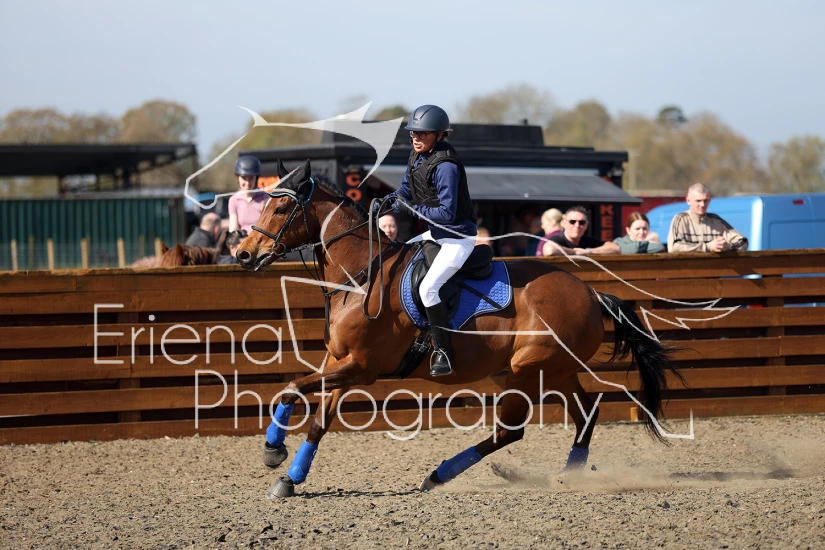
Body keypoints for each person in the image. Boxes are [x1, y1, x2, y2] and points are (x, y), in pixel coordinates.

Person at [383, 104, 477, 377]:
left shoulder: (446, 167)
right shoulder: (417, 156)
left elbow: (447, 213)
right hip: (435, 234)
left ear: (439, 135)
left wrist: (411, 210)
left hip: (457, 238)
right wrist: (388, 200)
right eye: (413, 133)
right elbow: (406, 189)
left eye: (422, 134)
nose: (416, 138)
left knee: (428, 290)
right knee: (396, 260)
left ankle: (443, 351)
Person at [668, 183, 748, 253]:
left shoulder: (716, 220)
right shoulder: (680, 219)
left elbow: (743, 242)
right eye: (698, 201)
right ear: (688, 200)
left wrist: (725, 247)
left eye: (706, 200)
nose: (702, 204)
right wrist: (708, 247)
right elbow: (674, 246)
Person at [543, 206, 621, 256]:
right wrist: (575, 252)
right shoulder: (558, 239)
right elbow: (549, 250)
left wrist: (588, 251)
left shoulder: (587, 241)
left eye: (582, 222)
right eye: (572, 222)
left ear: (586, 225)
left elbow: (616, 248)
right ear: (564, 223)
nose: (577, 225)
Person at [228, 155, 268, 233]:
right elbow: (233, 228)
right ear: (238, 178)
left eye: (251, 178)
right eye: (244, 178)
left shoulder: (265, 198)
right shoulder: (234, 200)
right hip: (242, 239)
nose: (247, 183)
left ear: (256, 178)